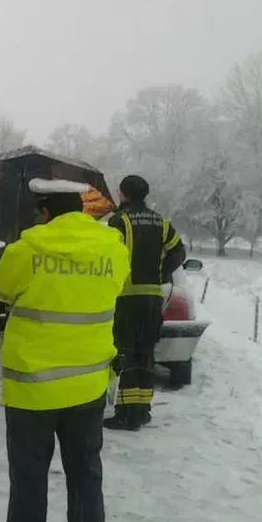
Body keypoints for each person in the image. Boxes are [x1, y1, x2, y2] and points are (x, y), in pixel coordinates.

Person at [0, 178, 130, 522]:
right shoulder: (112, 248)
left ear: (45, 210)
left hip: (32, 390)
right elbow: (114, 290)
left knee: (29, 484)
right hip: (87, 386)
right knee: (86, 482)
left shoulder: (29, 248)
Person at [104, 175, 187, 431]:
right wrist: (161, 273)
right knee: (145, 354)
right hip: (152, 299)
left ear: (124, 194)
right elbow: (179, 252)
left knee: (126, 354)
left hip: (127, 299)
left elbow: (108, 254)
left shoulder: (119, 221)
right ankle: (142, 410)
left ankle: (126, 414)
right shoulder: (161, 222)